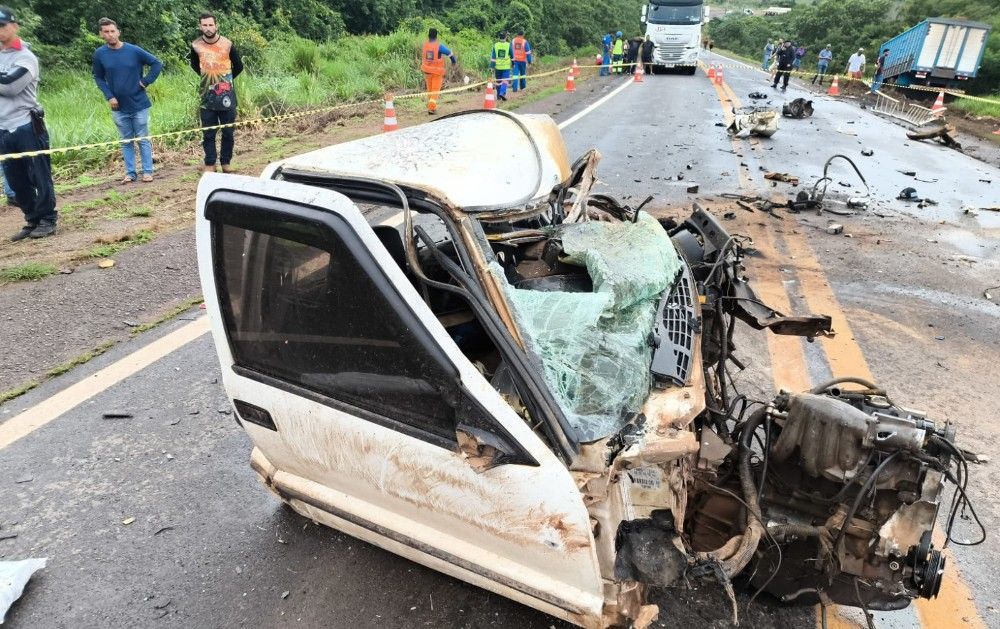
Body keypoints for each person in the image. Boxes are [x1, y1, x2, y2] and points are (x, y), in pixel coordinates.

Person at [0, 5, 57, 240]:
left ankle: (47, 219)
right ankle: (32, 218)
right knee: (16, 180)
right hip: (3, 127)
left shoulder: (25, 56)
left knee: (39, 176)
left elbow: (10, 86)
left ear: (15, 26)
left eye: (2, 25)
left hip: (26, 124)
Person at [92, 17, 162, 183]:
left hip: (139, 103)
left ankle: (147, 171)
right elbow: (98, 77)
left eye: (113, 31)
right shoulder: (100, 54)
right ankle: (130, 173)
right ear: (101, 34)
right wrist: (109, 96)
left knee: (142, 138)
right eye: (106, 32)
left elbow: (156, 63)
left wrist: (145, 81)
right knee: (126, 140)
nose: (110, 34)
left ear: (118, 32)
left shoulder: (134, 51)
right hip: (118, 106)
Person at [189, 13, 243, 174]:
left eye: (210, 25)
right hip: (206, 97)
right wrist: (208, 79)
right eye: (205, 25)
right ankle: (210, 163)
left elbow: (239, 66)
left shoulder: (227, 44)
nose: (208, 28)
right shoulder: (195, 45)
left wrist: (226, 79)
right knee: (208, 133)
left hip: (227, 96)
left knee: (228, 132)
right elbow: (194, 65)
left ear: (216, 25)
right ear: (200, 27)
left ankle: (226, 163)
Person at [421, 28, 456, 115]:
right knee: (435, 91)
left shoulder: (425, 45)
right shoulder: (439, 46)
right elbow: (449, 53)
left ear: (428, 35)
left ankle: (431, 106)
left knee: (430, 90)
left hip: (427, 71)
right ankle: (431, 108)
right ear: (436, 36)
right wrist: (453, 61)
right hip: (436, 72)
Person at [490, 32, 512, 102]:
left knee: (498, 81)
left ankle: (498, 96)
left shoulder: (496, 45)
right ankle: (502, 93)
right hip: (506, 67)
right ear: (506, 37)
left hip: (498, 67)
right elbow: (512, 56)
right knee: (505, 81)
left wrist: (492, 67)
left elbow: (493, 58)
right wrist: (514, 64)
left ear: (499, 37)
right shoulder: (508, 45)